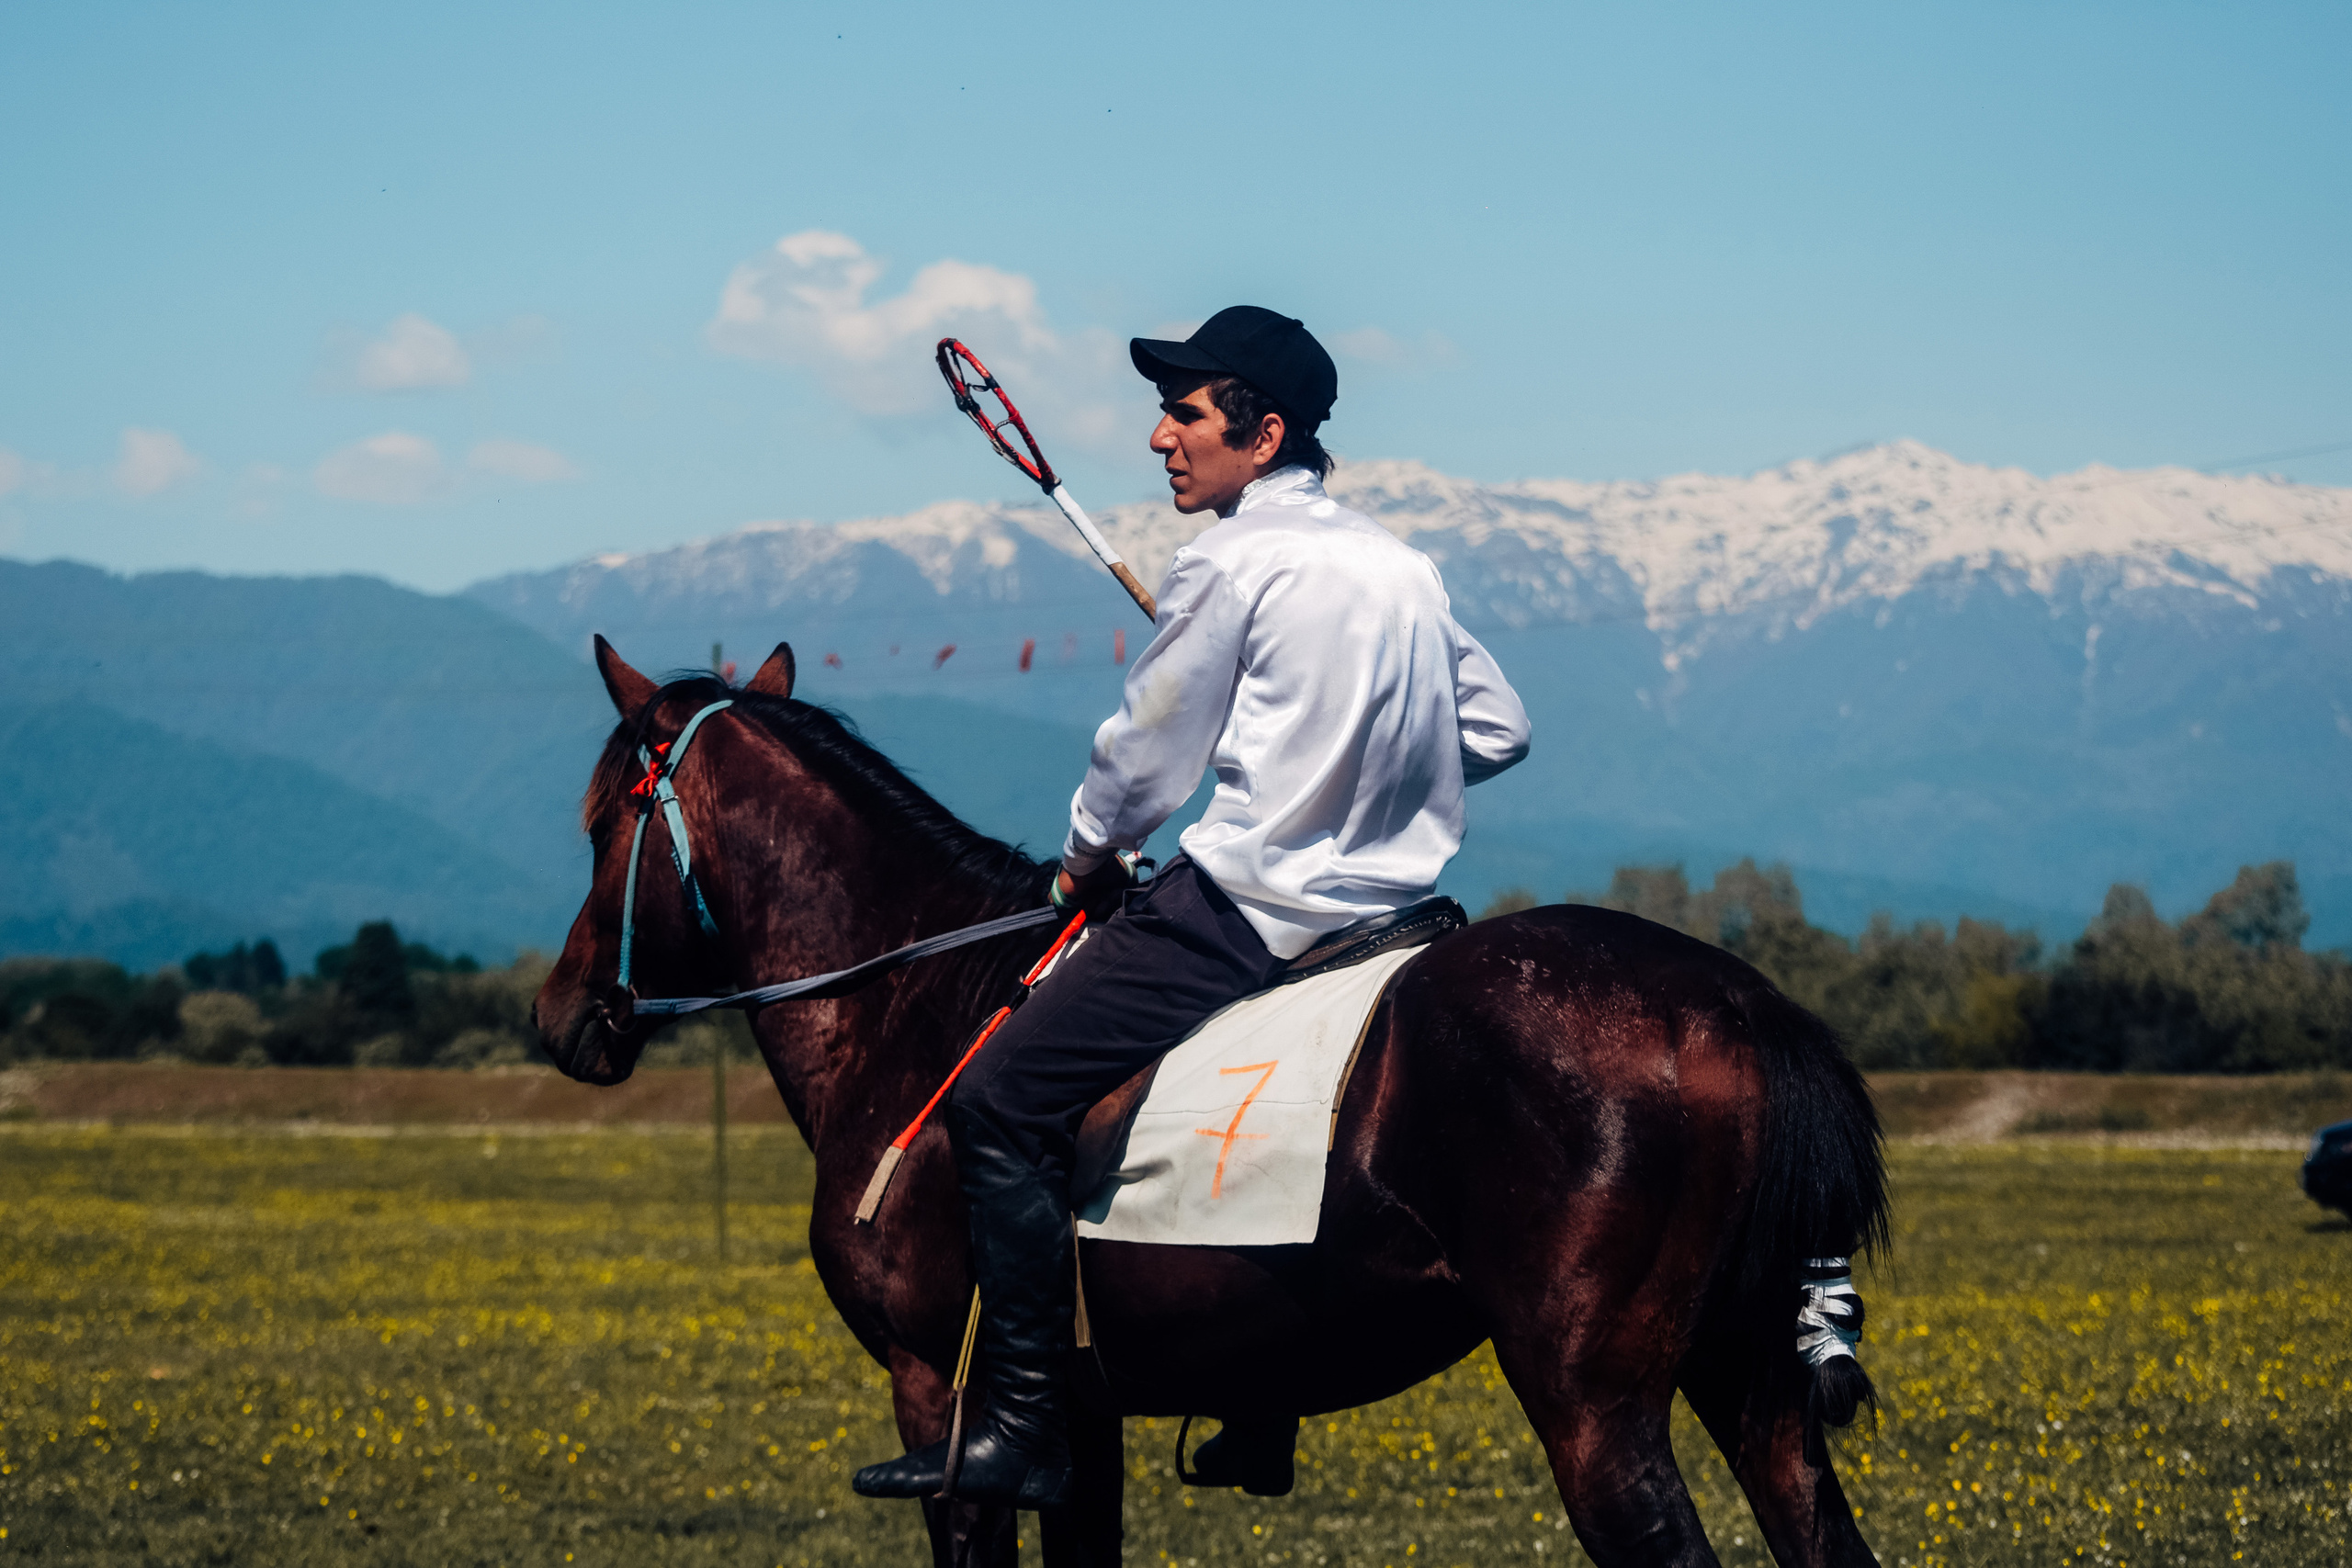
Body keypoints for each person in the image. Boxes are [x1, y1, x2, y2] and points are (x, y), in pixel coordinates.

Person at [853, 306, 1532, 1507]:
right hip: (1397, 922)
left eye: (1186, 412)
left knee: (1004, 1099)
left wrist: (1083, 860)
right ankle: (1256, 1404)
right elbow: (1497, 728)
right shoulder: (1397, 565)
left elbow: (1148, 754)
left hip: (1249, 912)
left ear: (1263, 434)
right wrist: (1352, 762)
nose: (1161, 436)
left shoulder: (1225, 561)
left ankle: (1016, 1428)